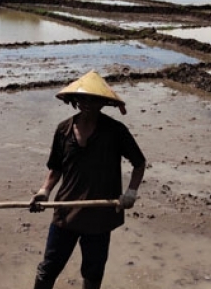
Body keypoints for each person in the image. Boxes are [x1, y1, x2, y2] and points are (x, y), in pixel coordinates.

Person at [29, 70, 146, 289]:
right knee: (48, 268)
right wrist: (44, 191)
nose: (87, 103)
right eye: (82, 98)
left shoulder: (115, 131)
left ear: (103, 102)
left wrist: (131, 192)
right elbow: (55, 168)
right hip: (66, 212)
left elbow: (139, 163)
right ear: (74, 100)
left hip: (100, 216)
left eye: (93, 99)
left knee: (93, 273)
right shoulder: (63, 130)